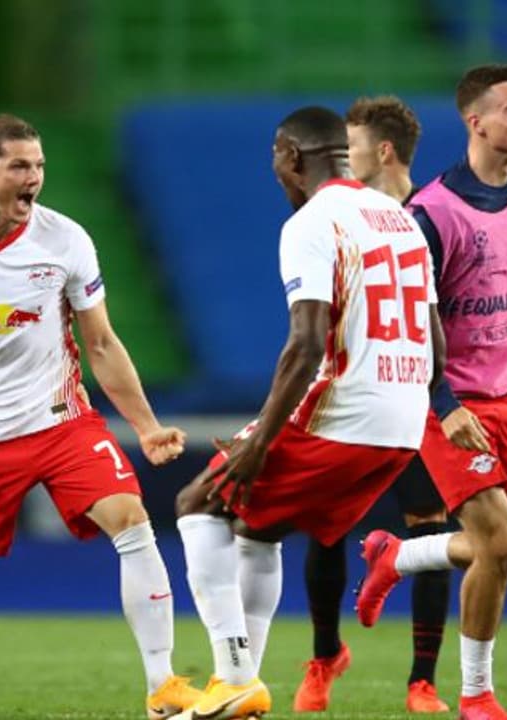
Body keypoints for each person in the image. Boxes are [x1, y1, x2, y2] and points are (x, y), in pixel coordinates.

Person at [0, 114, 197, 720]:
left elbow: (101, 343)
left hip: (61, 423)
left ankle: (163, 687)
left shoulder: (66, 239)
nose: (35, 178)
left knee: (132, 521)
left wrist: (147, 426)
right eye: (20, 166)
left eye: (40, 165)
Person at [172, 105, 444, 720]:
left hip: (346, 413)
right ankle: (238, 688)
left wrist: (259, 442)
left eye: (275, 159)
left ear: (291, 156)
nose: (275, 172)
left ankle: (235, 679)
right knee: (257, 528)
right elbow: (437, 346)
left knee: (198, 503)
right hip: (404, 423)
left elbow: (306, 342)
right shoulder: (403, 221)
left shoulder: (312, 222)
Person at [355, 61, 507, 720]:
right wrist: (443, 406)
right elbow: (408, 323)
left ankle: (396, 556)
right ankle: (476, 695)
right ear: (475, 122)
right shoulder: (431, 213)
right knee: (498, 546)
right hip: (445, 400)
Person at [290, 95, 452, 714]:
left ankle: (423, 681)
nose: (340, 158)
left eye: (350, 147)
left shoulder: (428, 216)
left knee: (435, 526)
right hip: (355, 395)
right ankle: (325, 654)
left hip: (422, 395)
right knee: (327, 523)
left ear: (381, 152)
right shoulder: (340, 214)